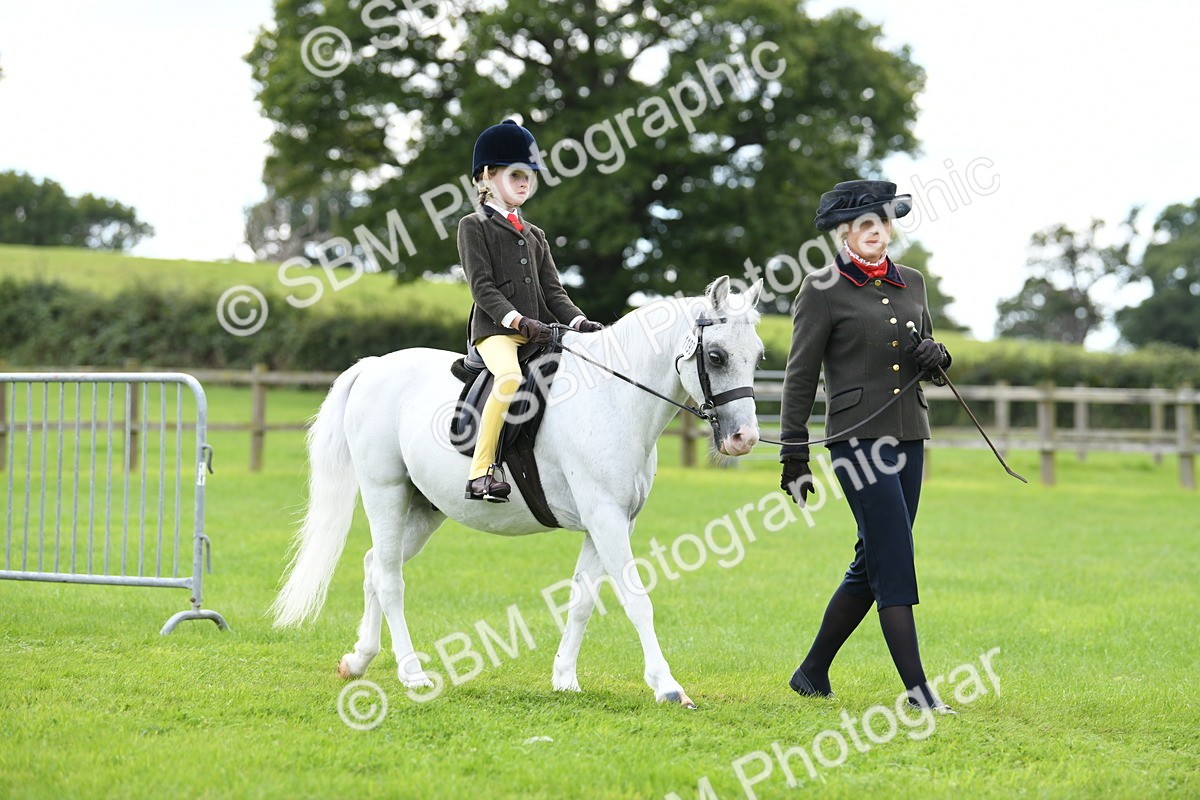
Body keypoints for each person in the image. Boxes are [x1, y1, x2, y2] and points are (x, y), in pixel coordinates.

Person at [778, 179, 956, 713]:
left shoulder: (913, 282)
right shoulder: (821, 288)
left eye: (882, 221)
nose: (875, 230)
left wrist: (939, 356)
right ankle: (919, 694)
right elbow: (799, 377)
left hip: (911, 435)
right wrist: (794, 455)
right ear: (844, 232)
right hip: (857, 441)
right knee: (894, 557)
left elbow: (927, 358)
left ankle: (811, 673)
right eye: (863, 223)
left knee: (872, 558)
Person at [457, 120, 603, 502]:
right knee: (509, 379)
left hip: (540, 332)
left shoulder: (535, 234)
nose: (525, 183)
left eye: (529, 176)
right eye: (516, 175)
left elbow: (553, 292)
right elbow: (482, 287)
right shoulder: (473, 226)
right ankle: (480, 473)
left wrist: (579, 322)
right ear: (487, 177)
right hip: (496, 332)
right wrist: (518, 321)